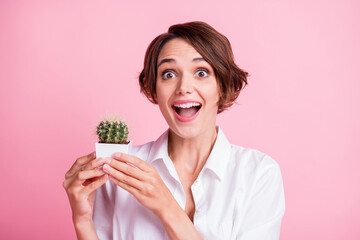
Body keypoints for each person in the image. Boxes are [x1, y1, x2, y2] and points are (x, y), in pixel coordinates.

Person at [63, 21, 285, 240]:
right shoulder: (121, 170)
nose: (183, 87)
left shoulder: (258, 174)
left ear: (222, 85)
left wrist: (166, 206)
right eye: (169, 74)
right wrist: (82, 221)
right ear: (154, 90)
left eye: (201, 72)